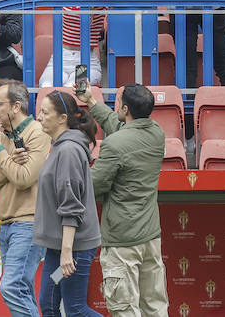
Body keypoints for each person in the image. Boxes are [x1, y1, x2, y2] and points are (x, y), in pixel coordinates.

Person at [77, 82, 169, 317]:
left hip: (122, 240)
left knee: (125, 309)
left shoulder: (114, 145)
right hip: (150, 236)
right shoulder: (157, 133)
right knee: (155, 307)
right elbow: (120, 127)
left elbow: (94, 186)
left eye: (118, 104)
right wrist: (91, 102)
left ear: (125, 109)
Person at [0, 79, 49, 317]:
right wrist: (9, 162)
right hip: (6, 226)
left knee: (12, 287)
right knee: (22, 290)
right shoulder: (2, 135)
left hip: (29, 223)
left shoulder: (38, 133)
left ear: (16, 107)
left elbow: (24, 178)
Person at [33, 90, 103, 317]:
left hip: (74, 249)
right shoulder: (60, 147)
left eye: (45, 112)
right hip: (59, 247)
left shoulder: (69, 150)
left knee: (75, 309)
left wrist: (66, 252)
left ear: (63, 118)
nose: (39, 117)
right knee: (48, 303)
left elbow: (71, 206)